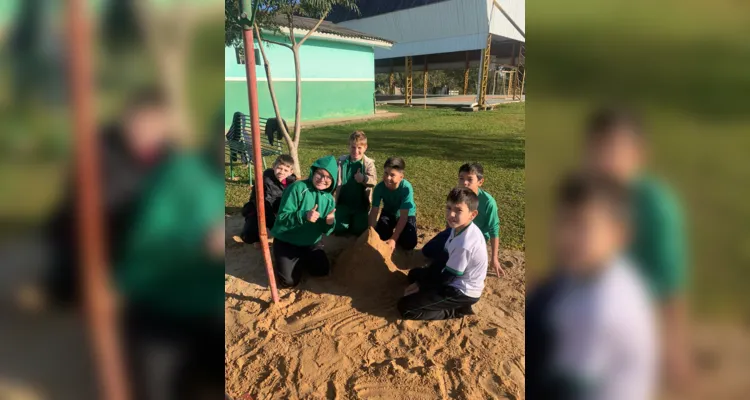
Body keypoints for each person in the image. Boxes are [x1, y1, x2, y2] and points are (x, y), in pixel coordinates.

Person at [582, 107, 690, 389]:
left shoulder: (656, 207)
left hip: (638, 320)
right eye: (599, 148)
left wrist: (674, 350)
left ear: (638, 153)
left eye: (616, 149)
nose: (607, 160)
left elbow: (670, 283)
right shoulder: (590, 195)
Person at [526, 172, 657, 400]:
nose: (567, 237)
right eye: (563, 222)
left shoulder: (601, 309)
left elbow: (565, 390)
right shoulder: (605, 269)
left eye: (583, 226)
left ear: (619, 233)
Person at [46, 88, 172, 306]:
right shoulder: (102, 147)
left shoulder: (169, 155)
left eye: (154, 123)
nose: (145, 131)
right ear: (127, 120)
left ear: (164, 126)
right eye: (140, 122)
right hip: (107, 225)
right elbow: (84, 196)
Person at [397, 187, 487, 320]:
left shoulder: (465, 244)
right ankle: (428, 292)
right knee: (413, 275)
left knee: (406, 307)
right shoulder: (456, 228)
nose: (451, 214)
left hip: (461, 291)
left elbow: (447, 278)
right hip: (450, 276)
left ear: (472, 215)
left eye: (458, 210)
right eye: (449, 208)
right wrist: (422, 281)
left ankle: (455, 311)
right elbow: (442, 259)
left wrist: (422, 286)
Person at [422, 163, 503, 276]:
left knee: (453, 258)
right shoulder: (458, 195)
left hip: (473, 240)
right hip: (455, 232)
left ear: (480, 182)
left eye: (470, 179)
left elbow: (494, 229)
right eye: (461, 178)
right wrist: (448, 235)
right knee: (427, 251)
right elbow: (451, 215)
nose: (464, 183)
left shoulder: (489, 202)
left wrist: (494, 258)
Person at [270, 155, 338, 287]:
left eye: (328, 177)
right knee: (288, 282)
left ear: (333, 180)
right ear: (314, 171)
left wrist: (330, 223)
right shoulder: (297, 188)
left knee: (321, 271)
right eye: (320, 174)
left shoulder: (329, 199)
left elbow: (326, 230)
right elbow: (282, 218)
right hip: (287, 241)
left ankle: (301, 260)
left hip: (311, 243)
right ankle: (283, 259)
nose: (323, 179)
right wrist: (304, 215)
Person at [239, 155, 296, 246]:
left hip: (280, 211)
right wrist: (273, 225)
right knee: (248, 235)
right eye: (279, 168)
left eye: (286, 170)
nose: (281, 172)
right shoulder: (265, 180)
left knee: (289, 235)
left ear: (291, 172)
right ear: (274, 166)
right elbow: (263, 202)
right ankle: (257, 236)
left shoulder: (292, 183)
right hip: (260, 210)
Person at [368, 157, 418, 251]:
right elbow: (374, 211)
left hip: (406, 214)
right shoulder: (379, 188)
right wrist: (371, 231)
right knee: (381, 235)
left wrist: (393, 239)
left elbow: (403, 216)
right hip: (389, 212)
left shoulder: (406, 188)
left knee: (409, 243)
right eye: (386, 173)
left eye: (392, 175)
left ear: (401, 177)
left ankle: (397, 238)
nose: (388, 178)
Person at [334, 131, 377, 237]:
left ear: (365, 147)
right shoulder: (341, 162)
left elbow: (373, 181)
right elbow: (334, 180)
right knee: (338, 228)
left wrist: (363, 178)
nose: (356, 151)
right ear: (349, 147)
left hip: (360, 205)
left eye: (359, 148)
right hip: (343, 203)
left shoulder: (368, 163)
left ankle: (356, 220)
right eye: (353, 147)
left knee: (359, 230)